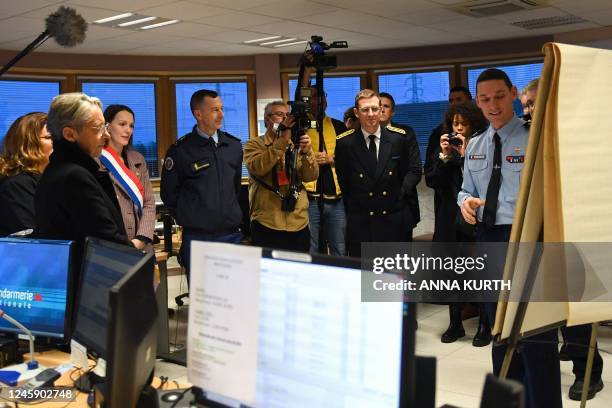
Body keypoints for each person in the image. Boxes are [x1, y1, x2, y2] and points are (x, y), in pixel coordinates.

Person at [458, 68, 561, 408]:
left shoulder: (537, 138)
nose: (493, 105)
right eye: (485, 99)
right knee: (500, 334)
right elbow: (465, 190)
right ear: (478, 102)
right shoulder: (475, 145)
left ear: (514, 93)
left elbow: (544, 196)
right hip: (489, 243)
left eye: (499, 97)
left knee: (536, 337)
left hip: (528, 241)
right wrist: (465, 203)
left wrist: (491, 205)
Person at [425, 102, 489, 346]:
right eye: (455, 124)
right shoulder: (442, 149)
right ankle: (455, 323)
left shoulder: (482, 145)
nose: (459, 128)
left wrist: (465, 155)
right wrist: (443, 157)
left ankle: (485, 323)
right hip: (448, 219)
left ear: (472, 125)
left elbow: (482, 180)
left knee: (480, 273)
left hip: (474, 218)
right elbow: (431, 180)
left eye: (463, 124)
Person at [161, 89, 243, 279]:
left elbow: (235, 187)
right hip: (198, 238)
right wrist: (192, 217)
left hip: (231, 236)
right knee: (204, 300)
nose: (221, 114)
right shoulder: (180, 151)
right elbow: (169, 194)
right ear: (198, 114)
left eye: (222, 109)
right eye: (215, 110)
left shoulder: (233, 146)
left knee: (235, 297)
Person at [34, 92, 129, 254]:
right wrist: (142, 262)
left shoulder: (55, 169)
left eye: (105, 126)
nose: (106, 135)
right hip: (89, 275)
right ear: (70, 134)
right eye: (98, 128)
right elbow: (107, 239)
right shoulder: (74, 177)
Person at [335, 89, 422, 257]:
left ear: (381, 109)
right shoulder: (345, 143)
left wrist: (399, 193)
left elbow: (411, 170)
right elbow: (344, 181)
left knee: (395, 276)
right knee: (365, 276)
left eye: (375, 109)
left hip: (392, 217)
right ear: (356, 112)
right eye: (365, 110)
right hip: (361, 221)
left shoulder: (398, 139)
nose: (371, 114)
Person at [244, 100, 318, 251]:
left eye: (287, 115)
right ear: (267, 120)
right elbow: (258, 168)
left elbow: (311, 176)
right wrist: (281, 141)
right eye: (279, 115)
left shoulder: (296, 145)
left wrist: (306, 153)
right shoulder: (254, 144)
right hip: (267, 222)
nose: (285, 119)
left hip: (298, 222)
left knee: (298, 271)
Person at [100, 104, 156, 252]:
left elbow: (149, 203)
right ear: (107, 126)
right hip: (113, 244)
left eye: (131, 126)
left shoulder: (137, 159)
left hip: (142, 244)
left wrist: (142, 238)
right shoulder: (97, 160)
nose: (128, 130)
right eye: (122, 124)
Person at [302, 84, 348, 256]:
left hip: (336, 199)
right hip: (310, 199)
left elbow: (350, 157)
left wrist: (331, 158)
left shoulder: (338, 126)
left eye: (322, 95)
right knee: (311, 247)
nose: (319, 100)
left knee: (339, 248)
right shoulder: (301, 126)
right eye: (314, 96)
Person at [0, 112, 52, 236]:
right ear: (27, 143)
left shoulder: (51, 179)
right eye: (50, 137)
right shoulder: (16, 185)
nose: (59, 142)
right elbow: (30, 238)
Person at [379, 91, 421, 231]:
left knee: (401, 252)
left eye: (386, 106)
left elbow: (415, 169)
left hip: (401, 203)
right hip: (373, 207)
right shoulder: (363, 136)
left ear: (393, 112)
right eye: (378, 106)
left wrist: (398, 194)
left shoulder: (406, 133)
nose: (381, 109)